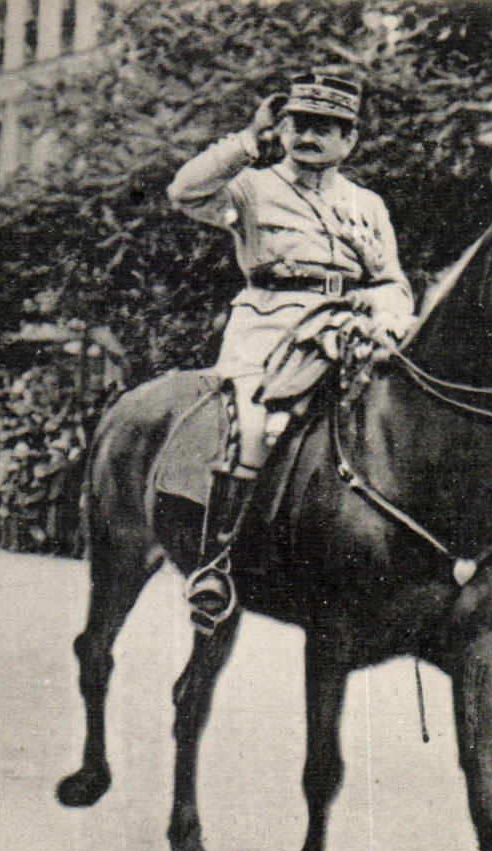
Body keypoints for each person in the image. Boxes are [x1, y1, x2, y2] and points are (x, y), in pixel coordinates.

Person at [166, 71, 415, 628]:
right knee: (254, 426)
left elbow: (390, 281)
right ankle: (217, 564)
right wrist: (247, 141)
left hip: (349, 332)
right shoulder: (252, 186)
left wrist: (392, 321)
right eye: (300, 124)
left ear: (349, 140)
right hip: (270, 333)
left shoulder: (366, 204)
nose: (311, 137)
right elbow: (184, 192)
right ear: (283, 128)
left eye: (328, 128)